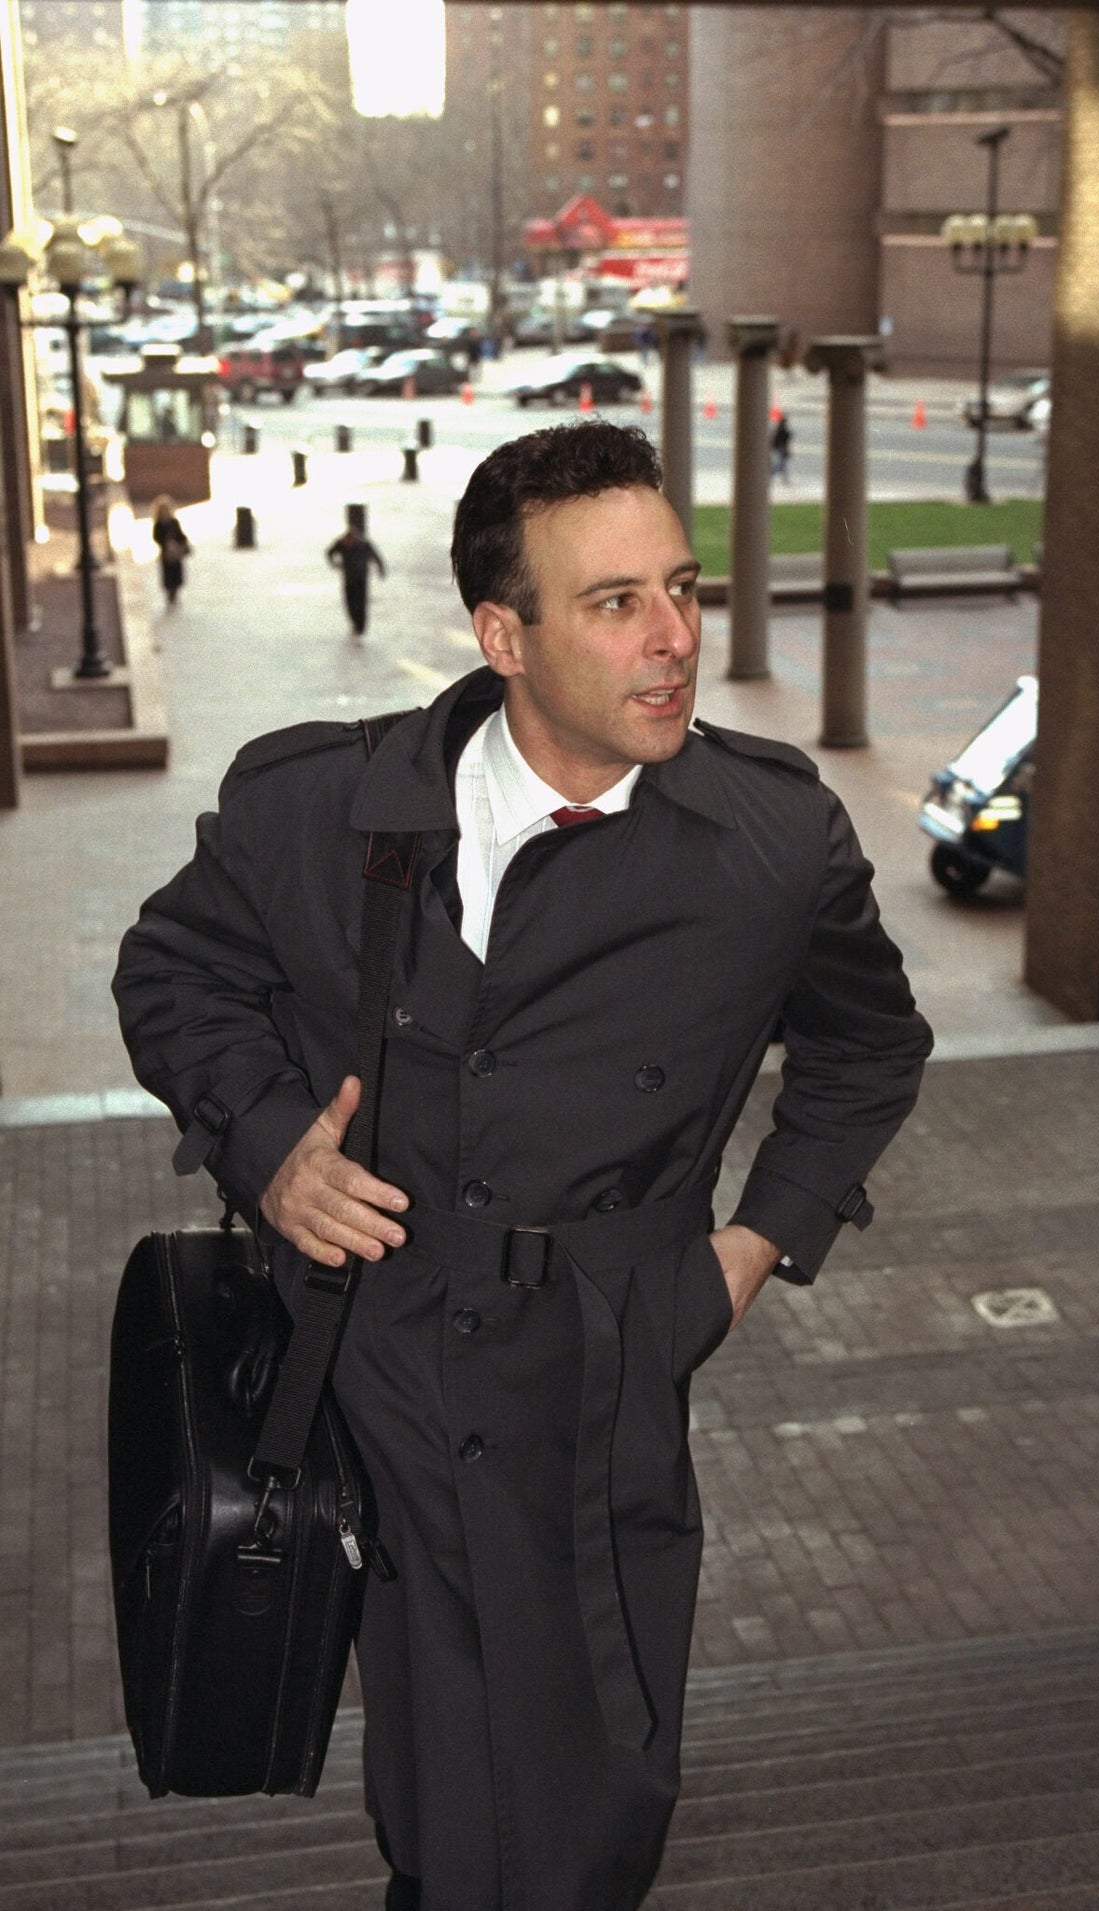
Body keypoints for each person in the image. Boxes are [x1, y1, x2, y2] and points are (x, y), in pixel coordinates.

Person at [114, 420, 932, 1911]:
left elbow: (870, 1049)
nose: (677, 638)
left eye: (681, 588)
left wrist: (748, 1253)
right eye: (617, 602)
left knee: (589, 1789)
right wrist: (266, 1147)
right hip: (371, 1372)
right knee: (441, 1783)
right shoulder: (320, 809)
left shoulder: (769, 842)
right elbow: (174, 972)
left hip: (594, 1384)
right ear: (506, 634)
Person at [326, 521, 387, 637]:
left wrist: (381, 570)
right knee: (349, 603)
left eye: (350, 542)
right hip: (348, 578)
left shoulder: (364, 544)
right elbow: (329, 552)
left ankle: (361, 628)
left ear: (354, 539)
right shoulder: (340, 543)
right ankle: (355, 624)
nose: (348, 544)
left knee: (361, 603)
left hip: (361, 578)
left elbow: (377, 556)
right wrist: (335, 564)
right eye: (346, 542)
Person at [151, 496, 192, 606]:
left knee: (176, 574)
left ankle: (175, 593)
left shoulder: (174, 522)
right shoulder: (158, 524)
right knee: (168, 575)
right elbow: (156, 537)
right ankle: (170, 593)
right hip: (166, 554)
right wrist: (166, 543)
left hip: (176, 554)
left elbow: (181, 535)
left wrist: (179, 543)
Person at [770, 411, 794, 481]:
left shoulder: (778, 429)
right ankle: (775, 475)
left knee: (781, 464)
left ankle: (784, 478)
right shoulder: (782, 429)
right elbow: (784, 439)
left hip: (779, 448)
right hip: (781, 448)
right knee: (780, 464)